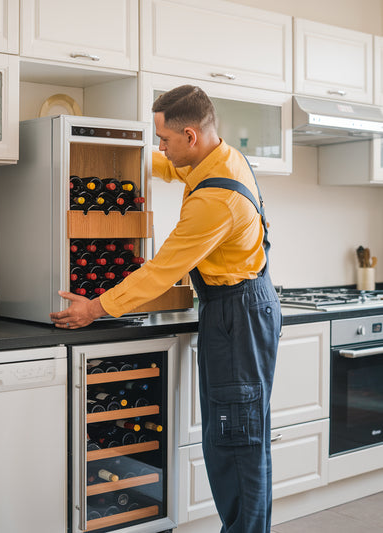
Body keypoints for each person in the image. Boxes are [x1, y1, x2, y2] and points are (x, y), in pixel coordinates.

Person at [50, 84, 282, 532]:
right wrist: (113, 150)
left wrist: (95, 308)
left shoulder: (216, 201)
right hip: (233, 309)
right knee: (230, 437)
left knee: (237, 440)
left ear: (191, 136)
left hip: (239, 315)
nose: (161, 147)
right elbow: (172, 168)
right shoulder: (220, 158)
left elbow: (160, 273)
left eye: (164, 139)